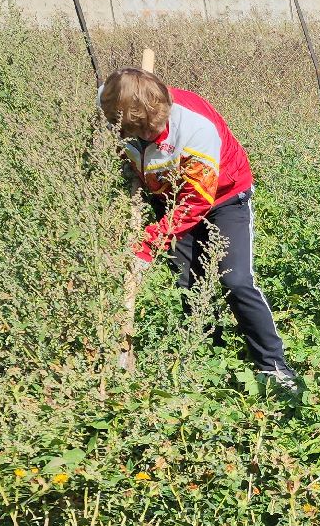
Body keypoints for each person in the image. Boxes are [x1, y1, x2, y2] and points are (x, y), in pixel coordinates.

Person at [99, 67, 295, 389]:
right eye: (140, 131)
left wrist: (148, 246)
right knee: (189, 282)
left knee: (235, 279)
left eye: (153, 129)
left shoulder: (195, 128)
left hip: (224, 197)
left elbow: (195, 202)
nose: (152, 134)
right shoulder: (113, 100)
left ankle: (274, 367)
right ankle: (205, 355)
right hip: (170, 196)